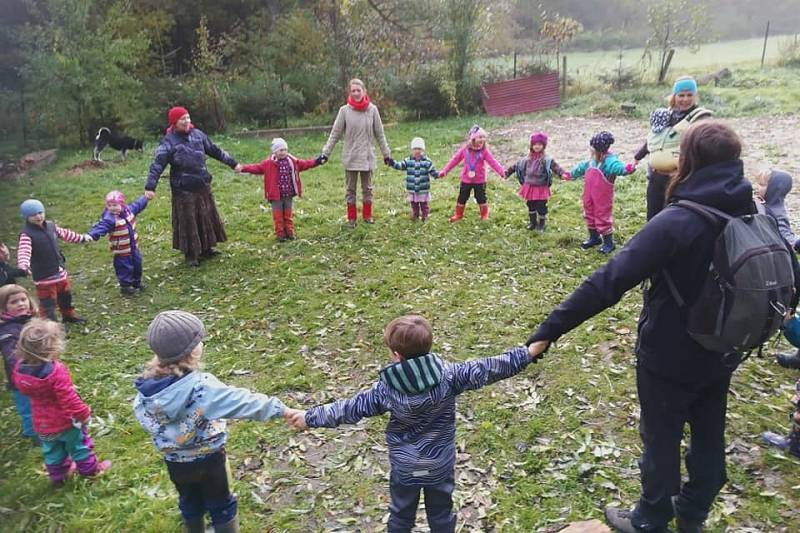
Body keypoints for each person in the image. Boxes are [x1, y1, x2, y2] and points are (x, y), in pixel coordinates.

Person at [526, 121, 798, 533]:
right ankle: (694, 512)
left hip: (669, 356)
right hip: (724, 348)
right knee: (709, 431)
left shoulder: (680, 221)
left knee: (661, 439)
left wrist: (549, 330)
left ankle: (651, 517)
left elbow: (611, 279)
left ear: (688, 161)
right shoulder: (752, 209)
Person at [286, 314, 536, 533]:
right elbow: (491, 367)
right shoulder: (451, 376)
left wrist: (309, 417)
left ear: (396, 355)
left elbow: (349, 408)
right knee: (441, 514)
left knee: (400, 515)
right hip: (439, 464)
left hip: (406, 468)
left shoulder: (386, 390)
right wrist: (527, 354)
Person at [133, 310, 298, 533]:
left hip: (175, 462)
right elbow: (243, 401)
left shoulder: (146, 394)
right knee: (221, 503)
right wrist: (280, 409)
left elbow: (144, 418)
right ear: (192, 351)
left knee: (189, 501)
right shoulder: (202, 388)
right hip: (210, 461)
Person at [12, 318, 112, 484]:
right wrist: (83, 414)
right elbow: (68, 398)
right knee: (79, 446)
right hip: (64, 421)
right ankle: (90, 470)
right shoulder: (55, 372)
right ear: (52, 347)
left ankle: (58, 477)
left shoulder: (20, 370)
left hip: (41, 422)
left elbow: (22, 389)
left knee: (52, 450)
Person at [145, 107, 240, 266]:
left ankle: (207, 248)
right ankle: (191, 254)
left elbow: (215, 150)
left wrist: (233, 164)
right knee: (188, 221)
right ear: (174, 123)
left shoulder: (198, 135)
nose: (187, 121)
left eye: (188, 118)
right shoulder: (168, 141)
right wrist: (150, 186)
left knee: (206, 217)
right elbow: (157, 165)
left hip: (202, 184)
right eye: (182, 119)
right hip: (183, 190)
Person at [630, 76, 712, 220]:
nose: (685, 99)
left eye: (689, 95)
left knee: (673, 216)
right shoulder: (665, 114)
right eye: (681, 95)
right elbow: (654, 140)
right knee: (653, 215)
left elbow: (707, 147)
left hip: (681, 178)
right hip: (657, 176)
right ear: (674, 96)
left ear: (695, 95)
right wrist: (637, 157)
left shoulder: (701, 118)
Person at [320, 78, 392, 227]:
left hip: (367, 157)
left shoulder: (372, 110)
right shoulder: (344, 111)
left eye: (358, 90)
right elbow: (335, 133)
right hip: (351, 157)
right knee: (350, 189)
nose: (356, 93)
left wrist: (386, 153)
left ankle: (367, 216)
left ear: (364, 91)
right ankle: (351, 218)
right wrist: (325, 153)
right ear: (350, 93)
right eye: (353, 91)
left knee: (368, 189)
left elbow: (380, 134)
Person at [16, 199, 90, 323]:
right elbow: (24, 251)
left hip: (60, 272)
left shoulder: (51, 226)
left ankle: (68, 315)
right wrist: (23, 265)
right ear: (26, 217)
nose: (38, 217)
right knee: (48, 303)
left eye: (40, 213)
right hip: (44, 277)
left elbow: (66, 234)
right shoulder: (26, 234)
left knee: (65, 296)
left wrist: (81, 238)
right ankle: (50, 325)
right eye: (33, 215)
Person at [238, 137, 325, 241]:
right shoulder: (268, 163)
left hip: (288, 194)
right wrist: (243, 168)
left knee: (288, 215)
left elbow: (306, 164)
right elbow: (256, 168)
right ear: (274, 151)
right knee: (278, 217)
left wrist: (317, 161)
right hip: (276, 196)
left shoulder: (292, 161)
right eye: (280, 150)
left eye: (285, 150)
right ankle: (280, 235)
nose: (283, 152)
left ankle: (290, 232)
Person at [570, 131, 635, 254]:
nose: (591, 150)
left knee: (602, 215)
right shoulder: (592, 160)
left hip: (602, 196)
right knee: (589, 212)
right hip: (589, 194)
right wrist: (571, 174)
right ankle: (594, 238)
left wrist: (626, 169)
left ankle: (609, 243)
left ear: (599, 149)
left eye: (593, 148)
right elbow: (581, 167)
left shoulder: (609, 161)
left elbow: (617, 167)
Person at [438, 125, 507, 222]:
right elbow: (455, 160)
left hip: (480, 181)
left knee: (481, 198)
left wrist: (502, 172)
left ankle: (484, 215)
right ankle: (458, 214)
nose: (482, 139)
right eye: (480, 137)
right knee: (462, 197)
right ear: (473, 138)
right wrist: (445, 170)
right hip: (466, 180)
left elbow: (493, 162)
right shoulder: (464, 150)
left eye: (483, 137)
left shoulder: (484, 152)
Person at [86, 191, 149, 295]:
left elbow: (138, 205)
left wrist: (145, 198)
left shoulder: (129, 211)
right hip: (121, 251)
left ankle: (136, 282)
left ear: (122, 204)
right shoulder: (110, 219)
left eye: (115, 205)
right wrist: (91, 235)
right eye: (109, 205)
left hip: (133, 248)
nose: (112, 208)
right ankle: (126, 287)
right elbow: (101, 227)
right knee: (124, 268)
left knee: (137, 265)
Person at [504, 131, 569, 231]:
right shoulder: (526, 159)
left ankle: (541, 224)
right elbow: (516, 166)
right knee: (530, 204)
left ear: (543, 146)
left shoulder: (546, 160)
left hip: (541, 187)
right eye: (535, 144)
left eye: (540, 144)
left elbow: (555, 167)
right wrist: (507, 173)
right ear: (531, 145)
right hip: (529, 186)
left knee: (541, 206)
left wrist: (562, 174)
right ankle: (533, 222)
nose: (537, 146)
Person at [0, 284, 38, 440]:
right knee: (27, 406)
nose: (21, 304)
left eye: (23, 299)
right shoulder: (7, 330)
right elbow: (12, 356)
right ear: (4, 308)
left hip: (37, 371)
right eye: (14, 302)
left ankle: (40, 426)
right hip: (20, 376)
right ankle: (32, 432)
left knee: (37, 402)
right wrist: (26, 367)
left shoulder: (29, 320)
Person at [386, 137, 439, 222]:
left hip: (423, 188)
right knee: (413, 203)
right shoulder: (408, 161)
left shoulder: (427, 161)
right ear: (412, 150)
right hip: (412, 188)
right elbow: (400, 166)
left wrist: (437, 175)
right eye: (415, 149)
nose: (417, 151)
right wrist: (392, 163)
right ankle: (415, 215)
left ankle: (425, 216)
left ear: (423, 150)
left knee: (424, 204)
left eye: (419, 149)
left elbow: (432, 170)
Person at [754, 167, 795, 247]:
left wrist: (793, 244)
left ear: (774, 189)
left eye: (762, 185)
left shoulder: (776, 211)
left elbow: (786, 238)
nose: (757, 187)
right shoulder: (763, 203)